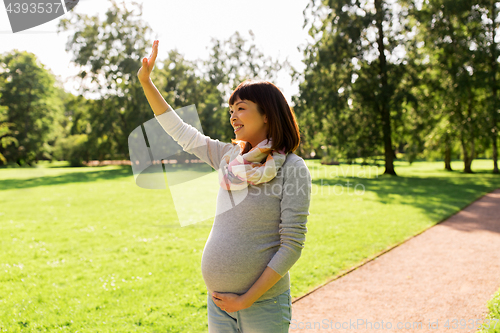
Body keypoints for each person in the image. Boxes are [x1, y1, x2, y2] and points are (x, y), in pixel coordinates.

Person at [138, 40, 312, 333]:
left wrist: (246, 299)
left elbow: (292, 245)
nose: (232, 116)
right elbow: (181, 131)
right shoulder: (229, 158)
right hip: (218, 304)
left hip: (263, 305)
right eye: (231, 109)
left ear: (267, 113)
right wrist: (146, 81)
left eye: (241, 108)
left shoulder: (293, 168)